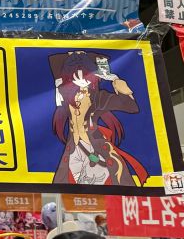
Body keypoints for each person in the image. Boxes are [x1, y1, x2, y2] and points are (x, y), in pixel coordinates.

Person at [49, 51, 148, 186]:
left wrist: (115, 80)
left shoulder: (96, 98)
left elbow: (131, 106)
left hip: (96, 150)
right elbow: (56, 66)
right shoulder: (64, 96)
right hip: (73, 151)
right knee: (65, 190)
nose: (82, 91)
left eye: (86, 85)